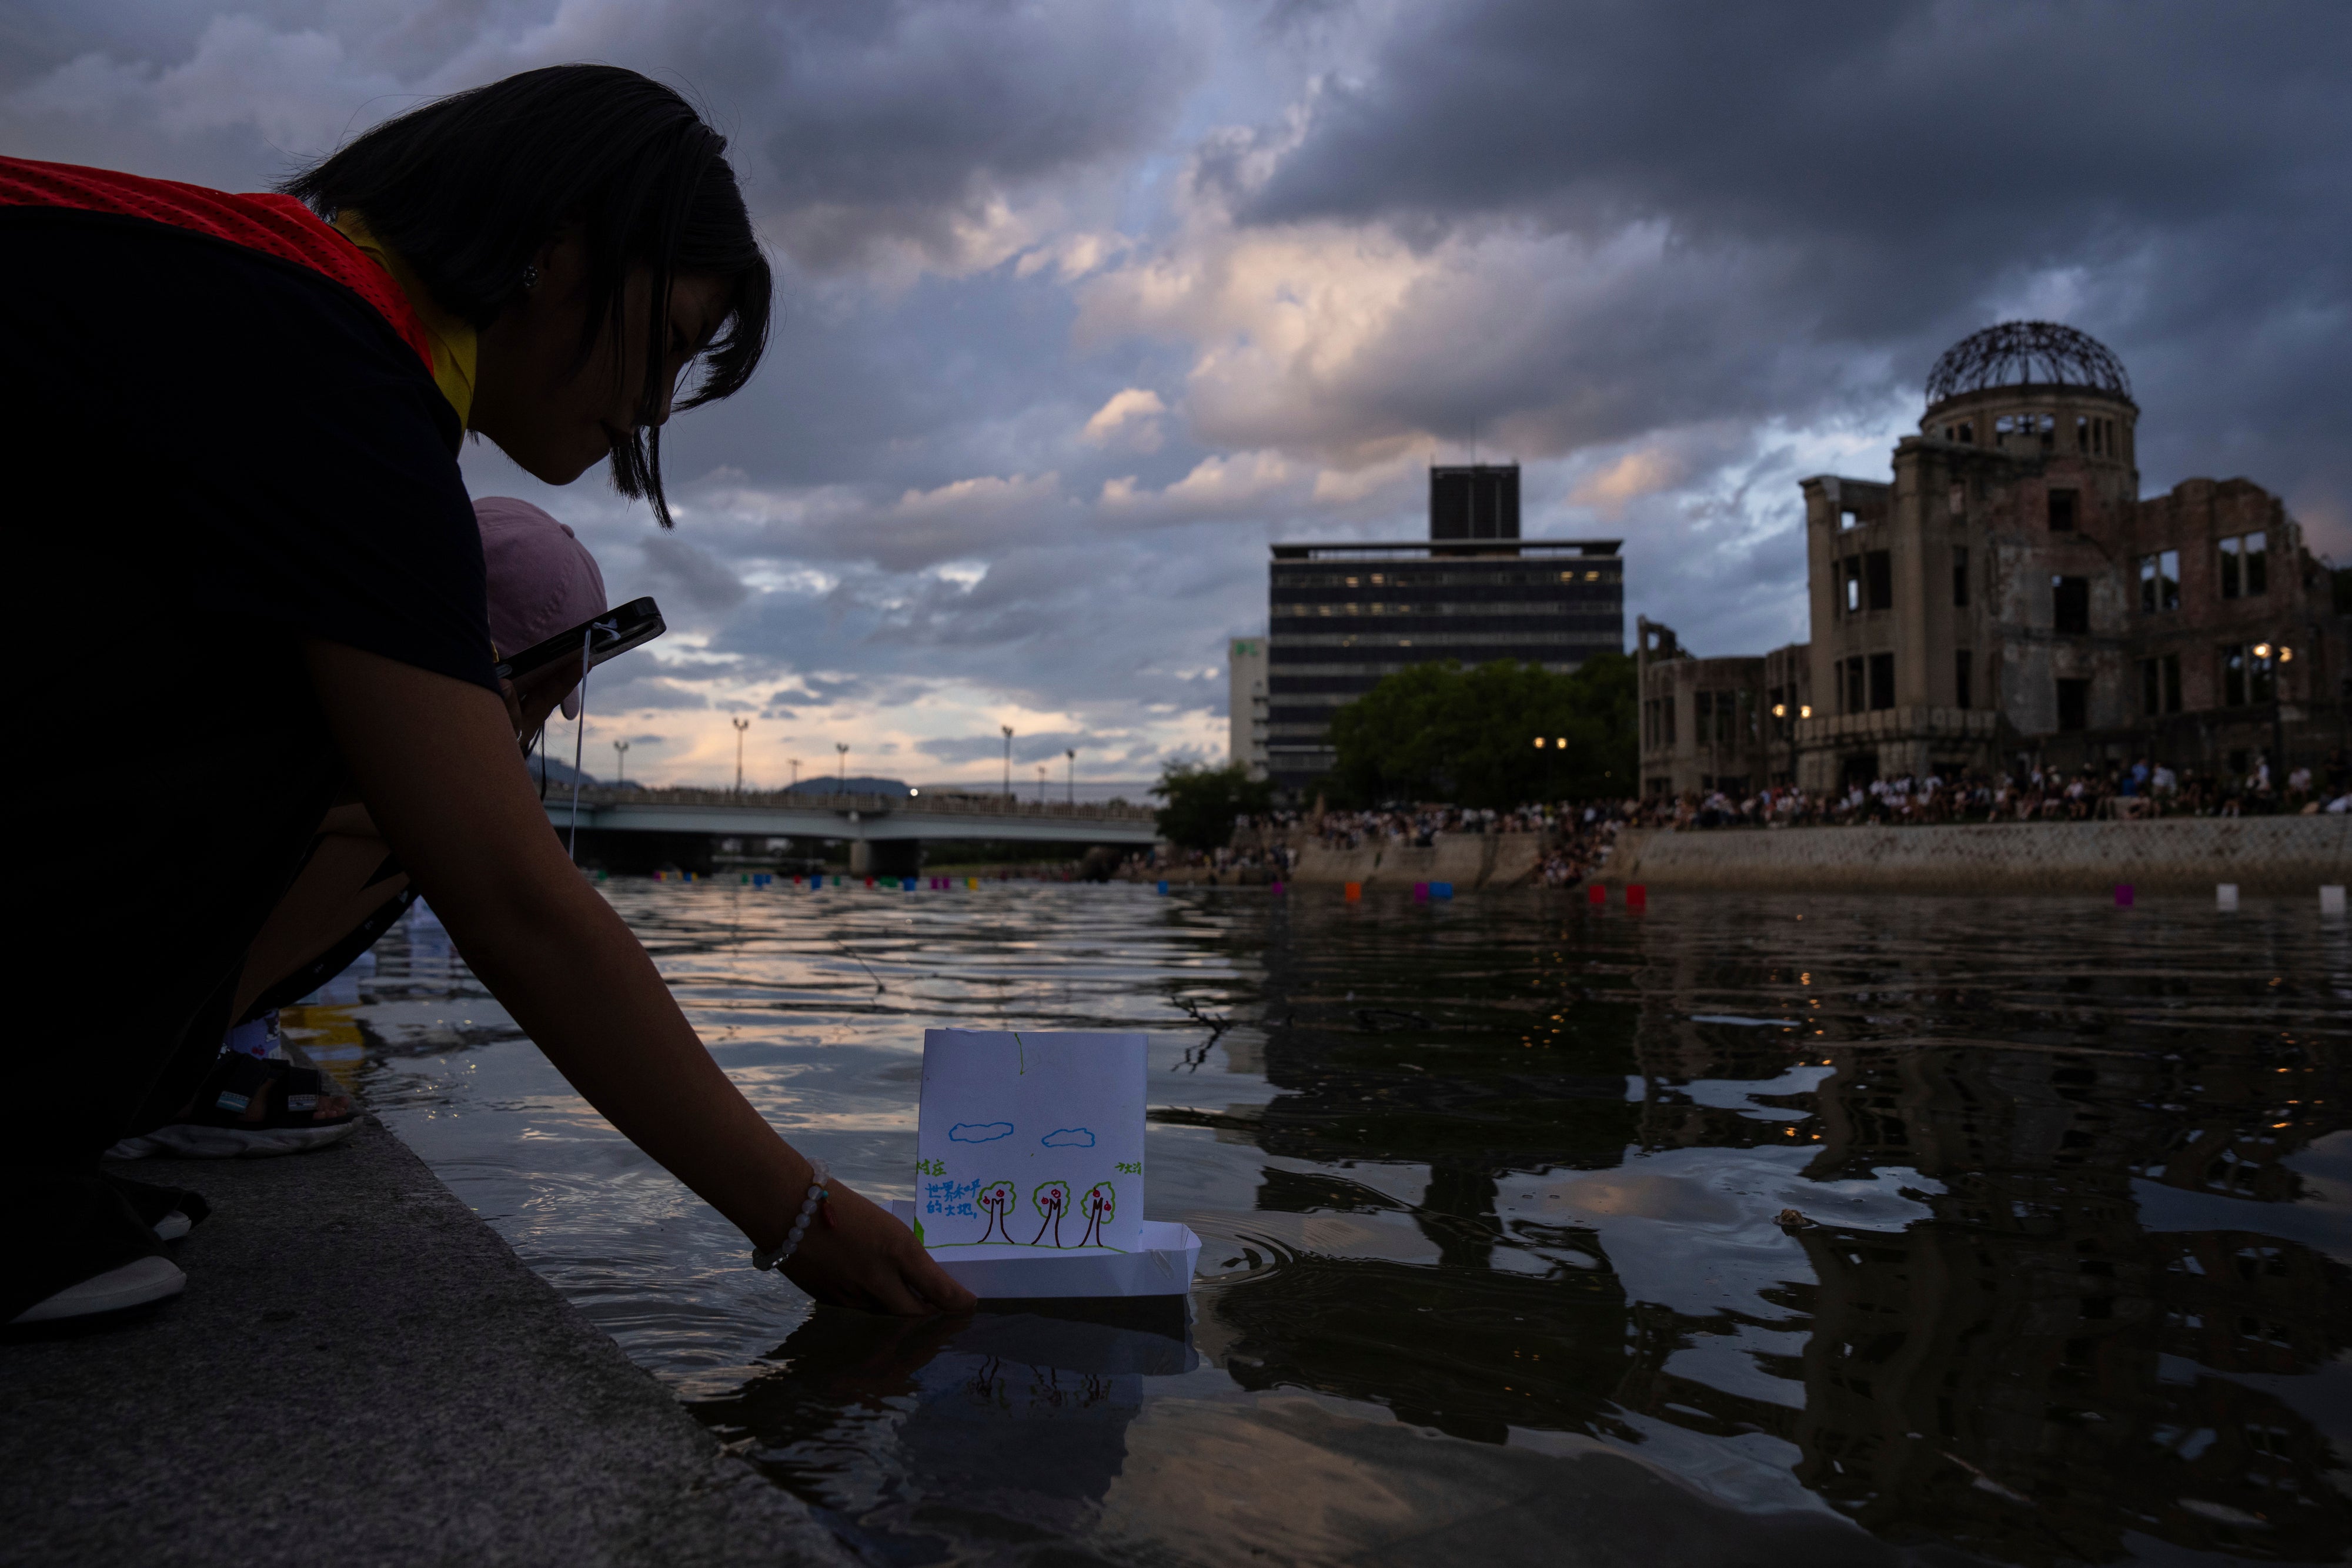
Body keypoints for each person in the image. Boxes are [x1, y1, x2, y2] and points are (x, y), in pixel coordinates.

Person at [6, 66, 974, 1326]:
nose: (653, 405)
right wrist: (799, 1216)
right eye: (668, 346)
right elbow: (513, 894)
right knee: (382, 766)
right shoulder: (335, 376)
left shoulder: (264, 296)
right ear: (558, 246)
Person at [109, 497, 609, 1161]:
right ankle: (154, 1071)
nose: (537, 723)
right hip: (111, 994)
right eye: (540, 693)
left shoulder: (281, 655)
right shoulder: (328, 730)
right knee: (423, 824)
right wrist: (469, 781)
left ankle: (187, 1052)